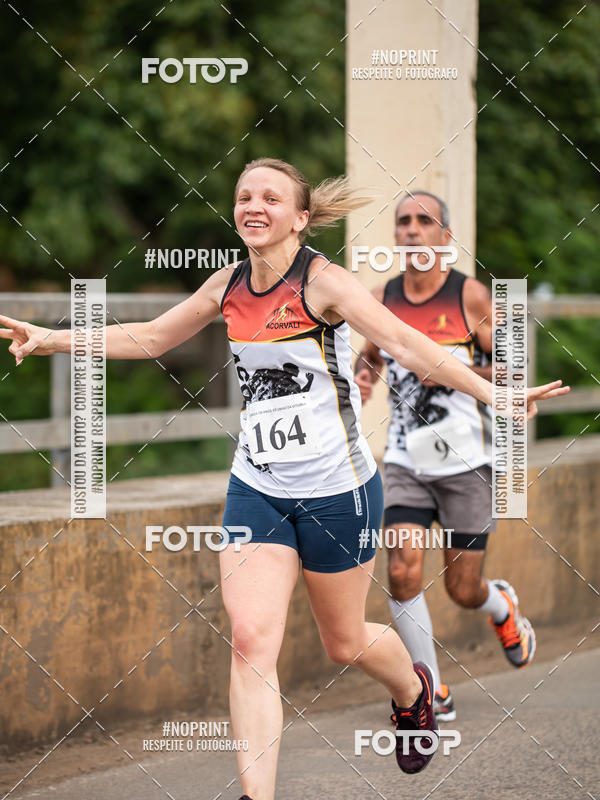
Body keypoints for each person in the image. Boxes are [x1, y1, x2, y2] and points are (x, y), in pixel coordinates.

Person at [0, 160, 568, 800]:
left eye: (270, 198)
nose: (254, 205)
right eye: (244, 196)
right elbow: (153, 336)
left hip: (339, 490)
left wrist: (493, 393)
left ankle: (413, 691)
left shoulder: (326, 284)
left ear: (300, 218)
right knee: (250, 641)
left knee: (344, 642)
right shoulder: (227, 285)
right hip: (258, 488)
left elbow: (410, 346)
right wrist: (51, 339)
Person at [355, 190, 538, 724]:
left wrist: (453, 371)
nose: (412, 229)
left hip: (467, 464)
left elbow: (513, 369)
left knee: (462, 588)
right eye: (403, 222)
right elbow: (372, 354)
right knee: (401, 570)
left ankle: (500, 605)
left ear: (445, 236)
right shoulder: (381, 298)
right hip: (406, 460)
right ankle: (427, 688)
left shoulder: (471, 297)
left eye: (424, 221)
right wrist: (365, 376)